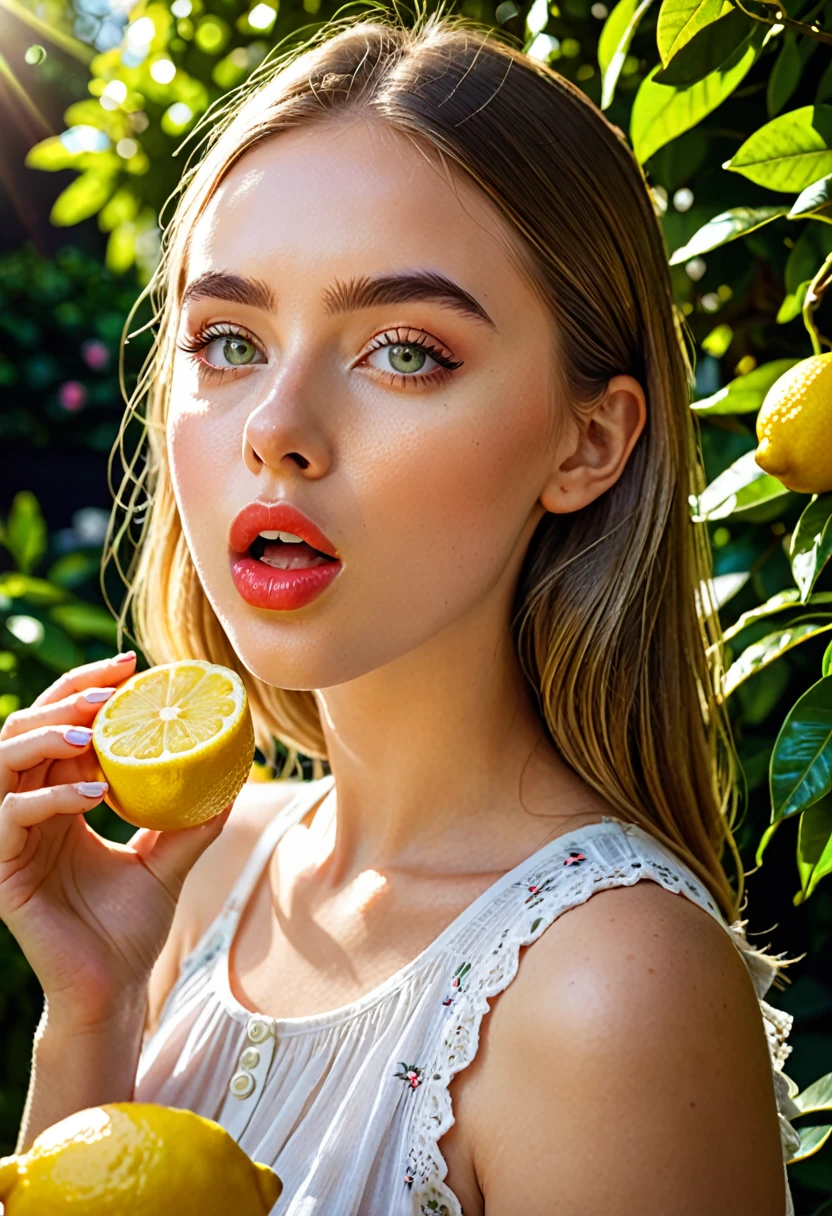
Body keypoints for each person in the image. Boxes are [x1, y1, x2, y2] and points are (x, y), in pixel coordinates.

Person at [0, 5, 803, 1213]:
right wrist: (93, 1018)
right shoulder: (208, 883)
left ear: (588, 442)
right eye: (228, 339)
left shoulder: (610, 993)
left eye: (405, 352)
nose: (276, 426)